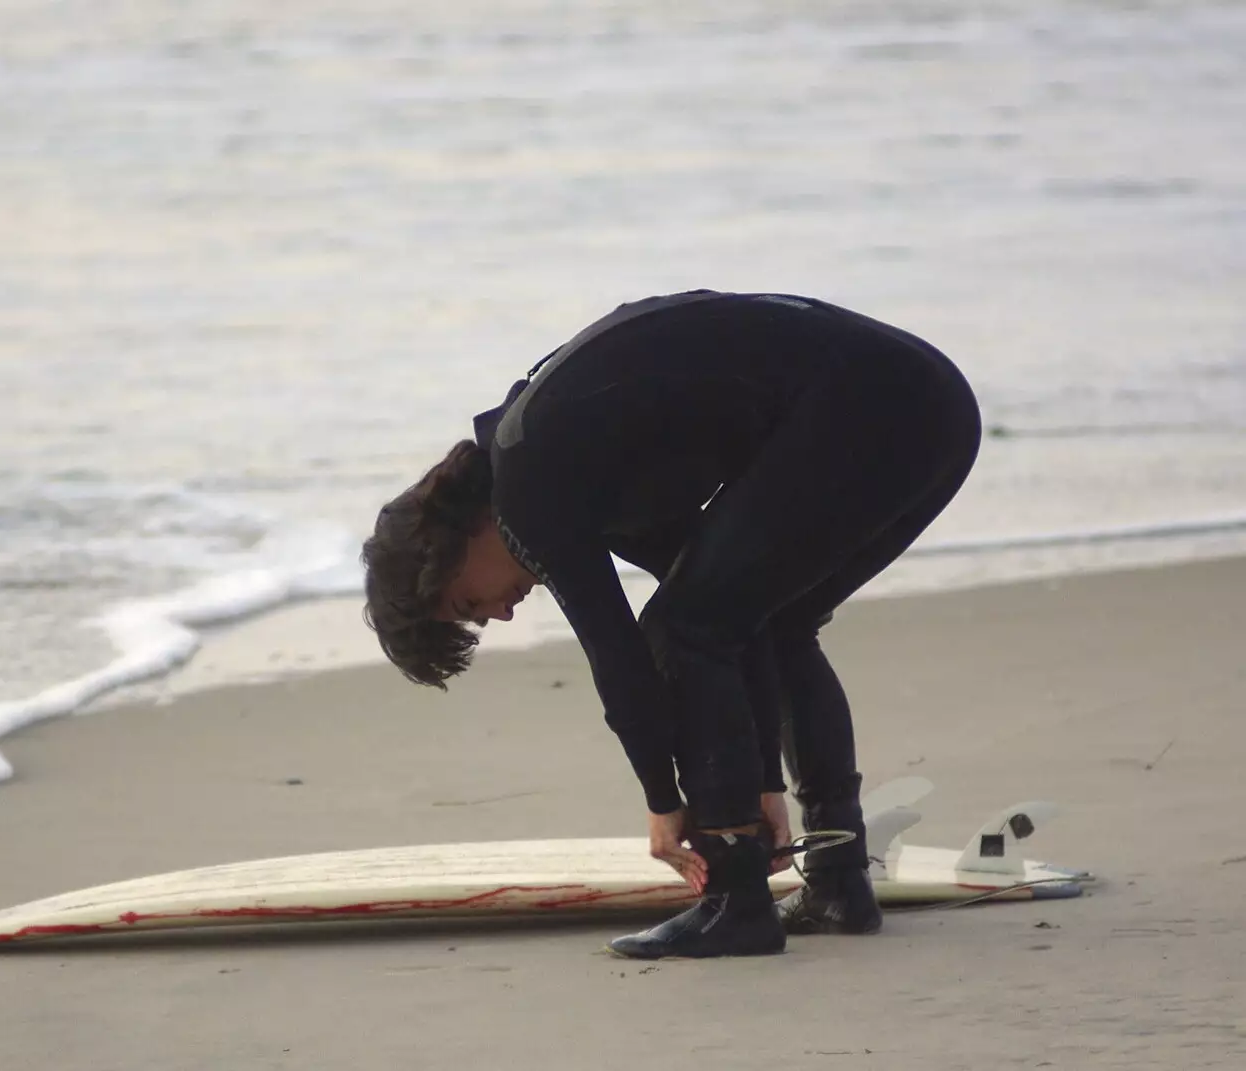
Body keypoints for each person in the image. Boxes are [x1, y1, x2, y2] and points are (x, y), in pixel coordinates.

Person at [361, 289, 981, 959]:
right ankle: (836, 878)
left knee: (687, 625)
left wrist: (665, 802)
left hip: (879, 407)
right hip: (931, 404)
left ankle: (734, 898)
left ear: (446, 543)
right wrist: (763, 784)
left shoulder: (530, 480)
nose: (501, 613)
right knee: (760, 616)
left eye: (468, 606)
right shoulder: (581, 462)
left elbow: (620, 658)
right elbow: (735, 617)